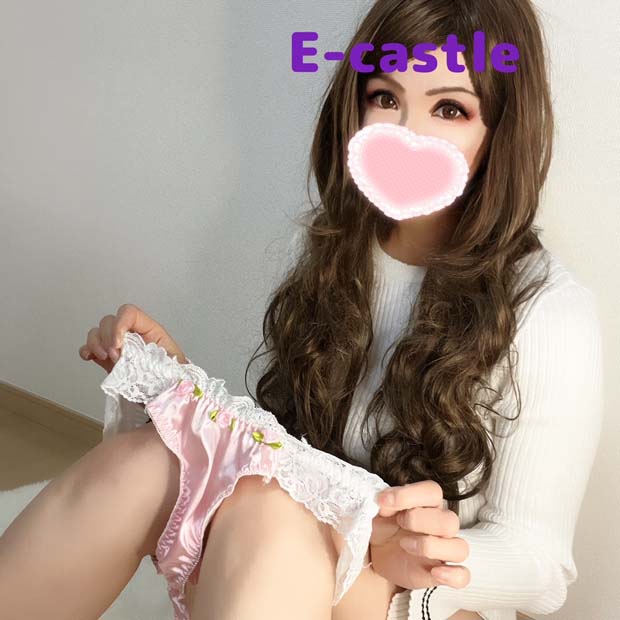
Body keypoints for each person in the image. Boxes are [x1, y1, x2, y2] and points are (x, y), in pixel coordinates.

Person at [0, 1, 604, 619]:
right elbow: (295, 454)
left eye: (450, 109)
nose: (406, 134)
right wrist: (189, 397)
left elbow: (541, 567)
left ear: (502, 129)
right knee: (151, 461)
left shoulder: (548, 311)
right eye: (385, 98)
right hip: (292, 547)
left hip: (420, 595)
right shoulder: (337, 249)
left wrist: (412, 553)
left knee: (267, 512)